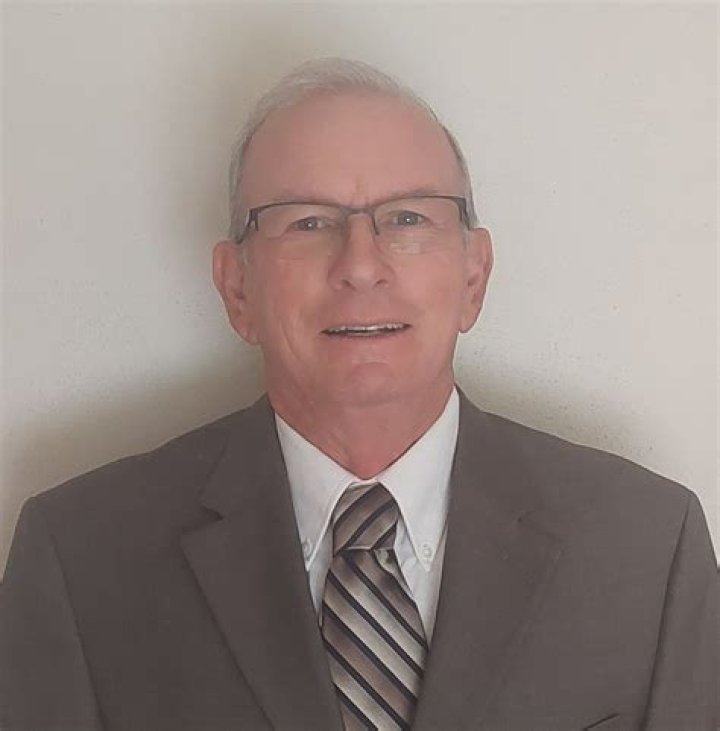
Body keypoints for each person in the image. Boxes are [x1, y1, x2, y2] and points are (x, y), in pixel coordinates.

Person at [1, 58, 717, 731]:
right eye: (307, 222)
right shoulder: (80, 560)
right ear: (237, 287)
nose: (361, 265)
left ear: (474, 276)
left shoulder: (647, 549)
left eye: (408, 218)